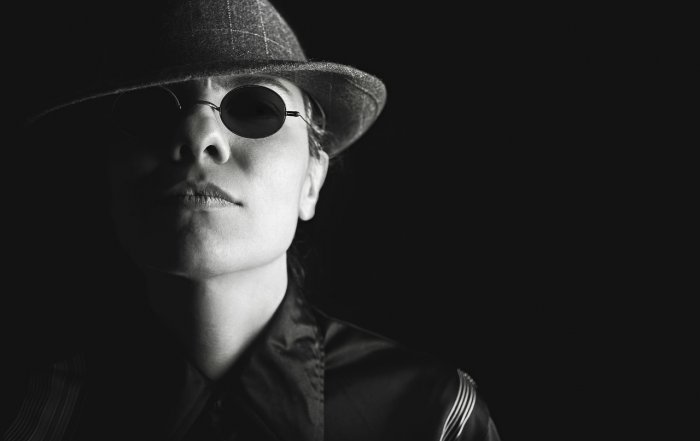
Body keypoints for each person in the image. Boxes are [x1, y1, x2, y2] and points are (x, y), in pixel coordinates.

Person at [3, 0, 501, 440]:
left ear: (312, 179)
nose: (198, 136)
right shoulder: (23, 409)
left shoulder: (432, 419)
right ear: (106, 173)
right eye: (147, 108)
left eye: (256, 107)